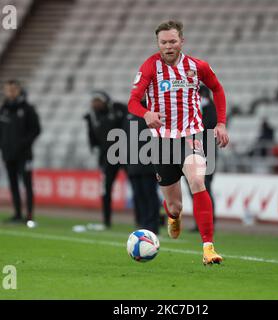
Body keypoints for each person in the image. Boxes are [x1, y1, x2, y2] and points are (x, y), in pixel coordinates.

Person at [128, 21, 229, 265]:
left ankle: (208, 247)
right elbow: (133, 102)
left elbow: (218, 89)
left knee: (197, 180)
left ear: (181, 41)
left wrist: (221, 123)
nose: (168, 46)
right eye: (163, 42)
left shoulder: (197, 66)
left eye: (173, 41)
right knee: (174, 206)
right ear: (158, 44)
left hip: (191, 135)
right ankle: (173, 216)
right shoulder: (150, 67)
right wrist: (146, 114)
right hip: (162, 142)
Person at [0, 80, 41, 224]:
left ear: (19, 90)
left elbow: (36, 129)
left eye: (14, 89)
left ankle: (29, 215)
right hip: (8, 154)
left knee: (27, 185)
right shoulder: (3, 109)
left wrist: (23, 144)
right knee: (13, 184)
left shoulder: (27, 109)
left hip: (24, 155)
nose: (11, 92)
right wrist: (0, 144)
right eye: (8, 90)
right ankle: (17, 214)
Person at [84, 90, 127, 229]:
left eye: (98, 100)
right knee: (106, 189)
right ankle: (106, 220)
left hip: (126, 154)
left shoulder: (119, 109)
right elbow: (91, 136)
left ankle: (142, 220)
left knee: (138, 184)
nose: (95, 104)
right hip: (106, 157)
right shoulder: (92, 116)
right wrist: (96, 149)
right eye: (93, 101)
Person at [124, 110, 161, 234]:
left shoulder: (152, 112)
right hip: (133, 164)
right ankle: (143, 223)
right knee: (138, 195)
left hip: (149, 164)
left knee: (149, 194)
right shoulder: (130, 115)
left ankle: (153, 225)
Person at [188, 85, 218, 232]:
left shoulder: (210, 110)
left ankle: (209, 221)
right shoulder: (199, 111)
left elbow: (207, 127)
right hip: (195, 153)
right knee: (194, 188)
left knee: (204, 187)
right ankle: (200, 221)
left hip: (207, 153)